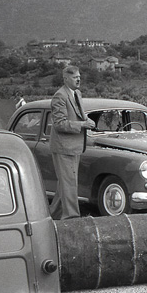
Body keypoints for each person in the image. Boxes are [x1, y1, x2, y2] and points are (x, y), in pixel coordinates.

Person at [48, 65, 95, 220]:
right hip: (64, 147)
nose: (78, 80)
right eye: (75, 77)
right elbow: (59, 124)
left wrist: (87, 121)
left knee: (65, 184)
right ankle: (72, 218)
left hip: (75, 147)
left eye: (79, 76)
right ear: (66, 79)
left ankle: (52, 216)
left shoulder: (77, 94)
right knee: (69, 185)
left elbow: (79, 115)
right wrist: (82, 125)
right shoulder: (59, 96)